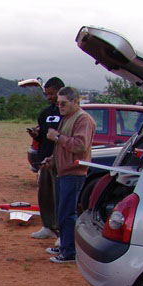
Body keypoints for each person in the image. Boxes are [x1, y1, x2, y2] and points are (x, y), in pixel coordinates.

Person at [41, 86, 95, 263]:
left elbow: (80, 146)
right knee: (61, 211)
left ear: (75, 101)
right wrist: (52, 159)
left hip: (73, 172)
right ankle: (65, 244)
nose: (60, 107)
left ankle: (69, 251)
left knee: (67, 213)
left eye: (63, 103)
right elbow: (64, 148)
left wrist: (57, 137)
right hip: (62, 171)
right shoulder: (68, 118)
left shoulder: (83, 120)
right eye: (58, 103)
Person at [27, 77, 64, 240]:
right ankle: (48, 226)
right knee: (45, 196)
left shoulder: (67, 113)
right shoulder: (45, 113)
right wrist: (37, 134)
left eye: (51, 94)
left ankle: (62, 232)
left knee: (60, 198)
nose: (49, 97)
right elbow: (43, 135)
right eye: (46, 94)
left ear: (60, 92)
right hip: (44, 161)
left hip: (60, 162)